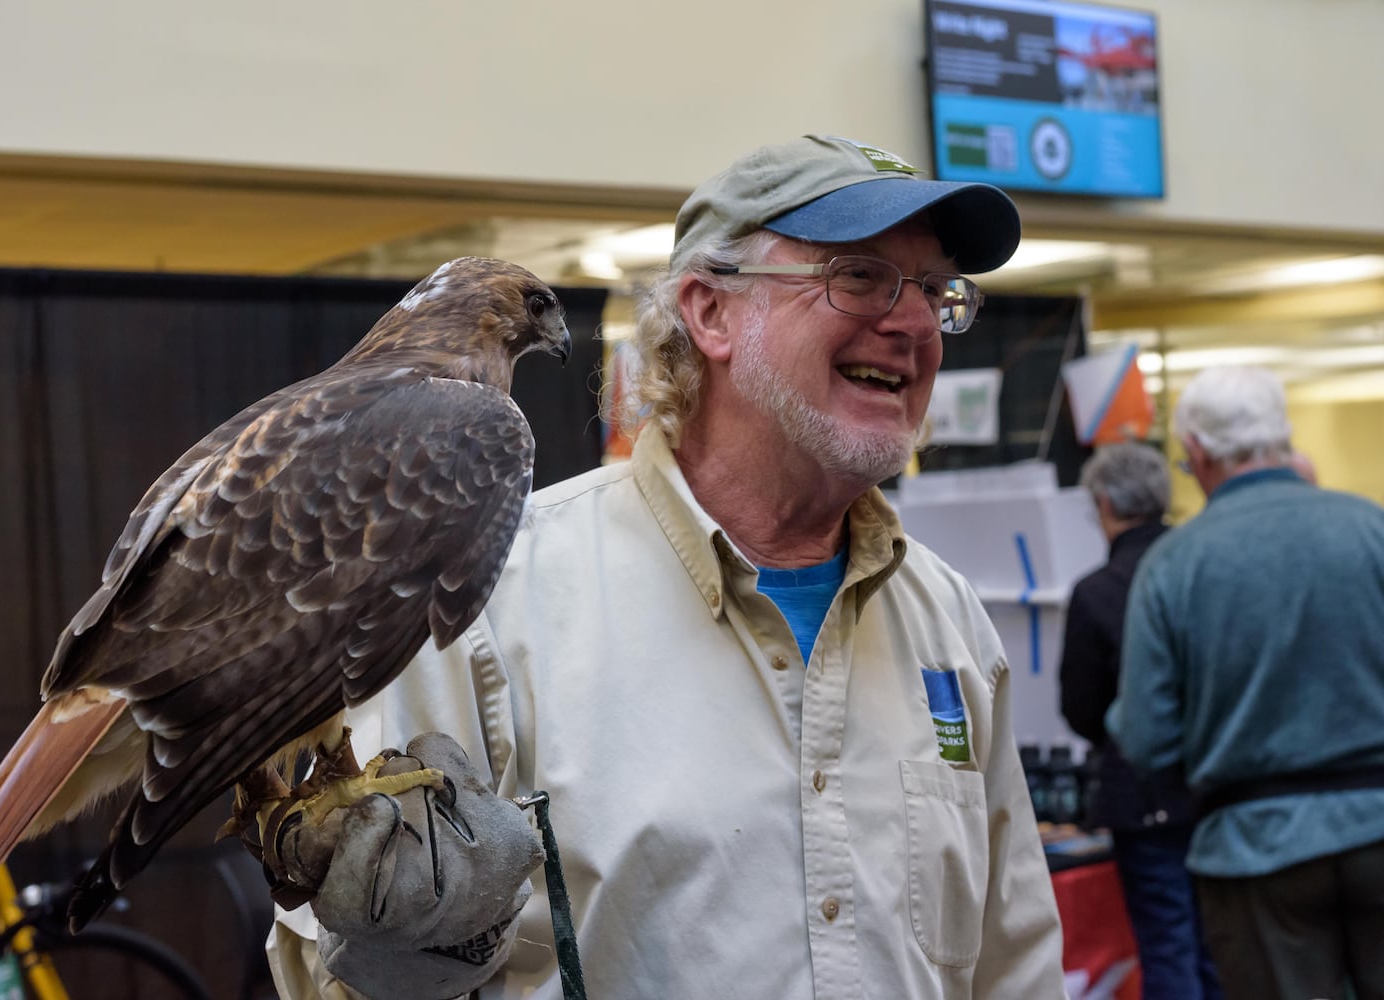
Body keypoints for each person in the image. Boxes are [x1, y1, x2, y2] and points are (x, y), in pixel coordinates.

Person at [267, 134, 1066, 999]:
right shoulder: (490, 599)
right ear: (710, 312)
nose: (912, 322)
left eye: (934, 291)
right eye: (859, 276)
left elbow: (1014, 967)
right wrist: (392, 961)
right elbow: (327, 959)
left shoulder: (949, 622)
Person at [1107, 365, 1384, 1000]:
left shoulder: (1173, 565)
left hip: (1253, 852)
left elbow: (1148, 739)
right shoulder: (1371, 529)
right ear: (1284, 438)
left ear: (1197, 452)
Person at [1059, 442, 1222, 1000]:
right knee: (1219, 946)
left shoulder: (1097, 592)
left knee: (1168, 946)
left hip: (1141, 799)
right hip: (1220, 786)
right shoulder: (1206, 572)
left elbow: (1080, 708)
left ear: (1104, 503)